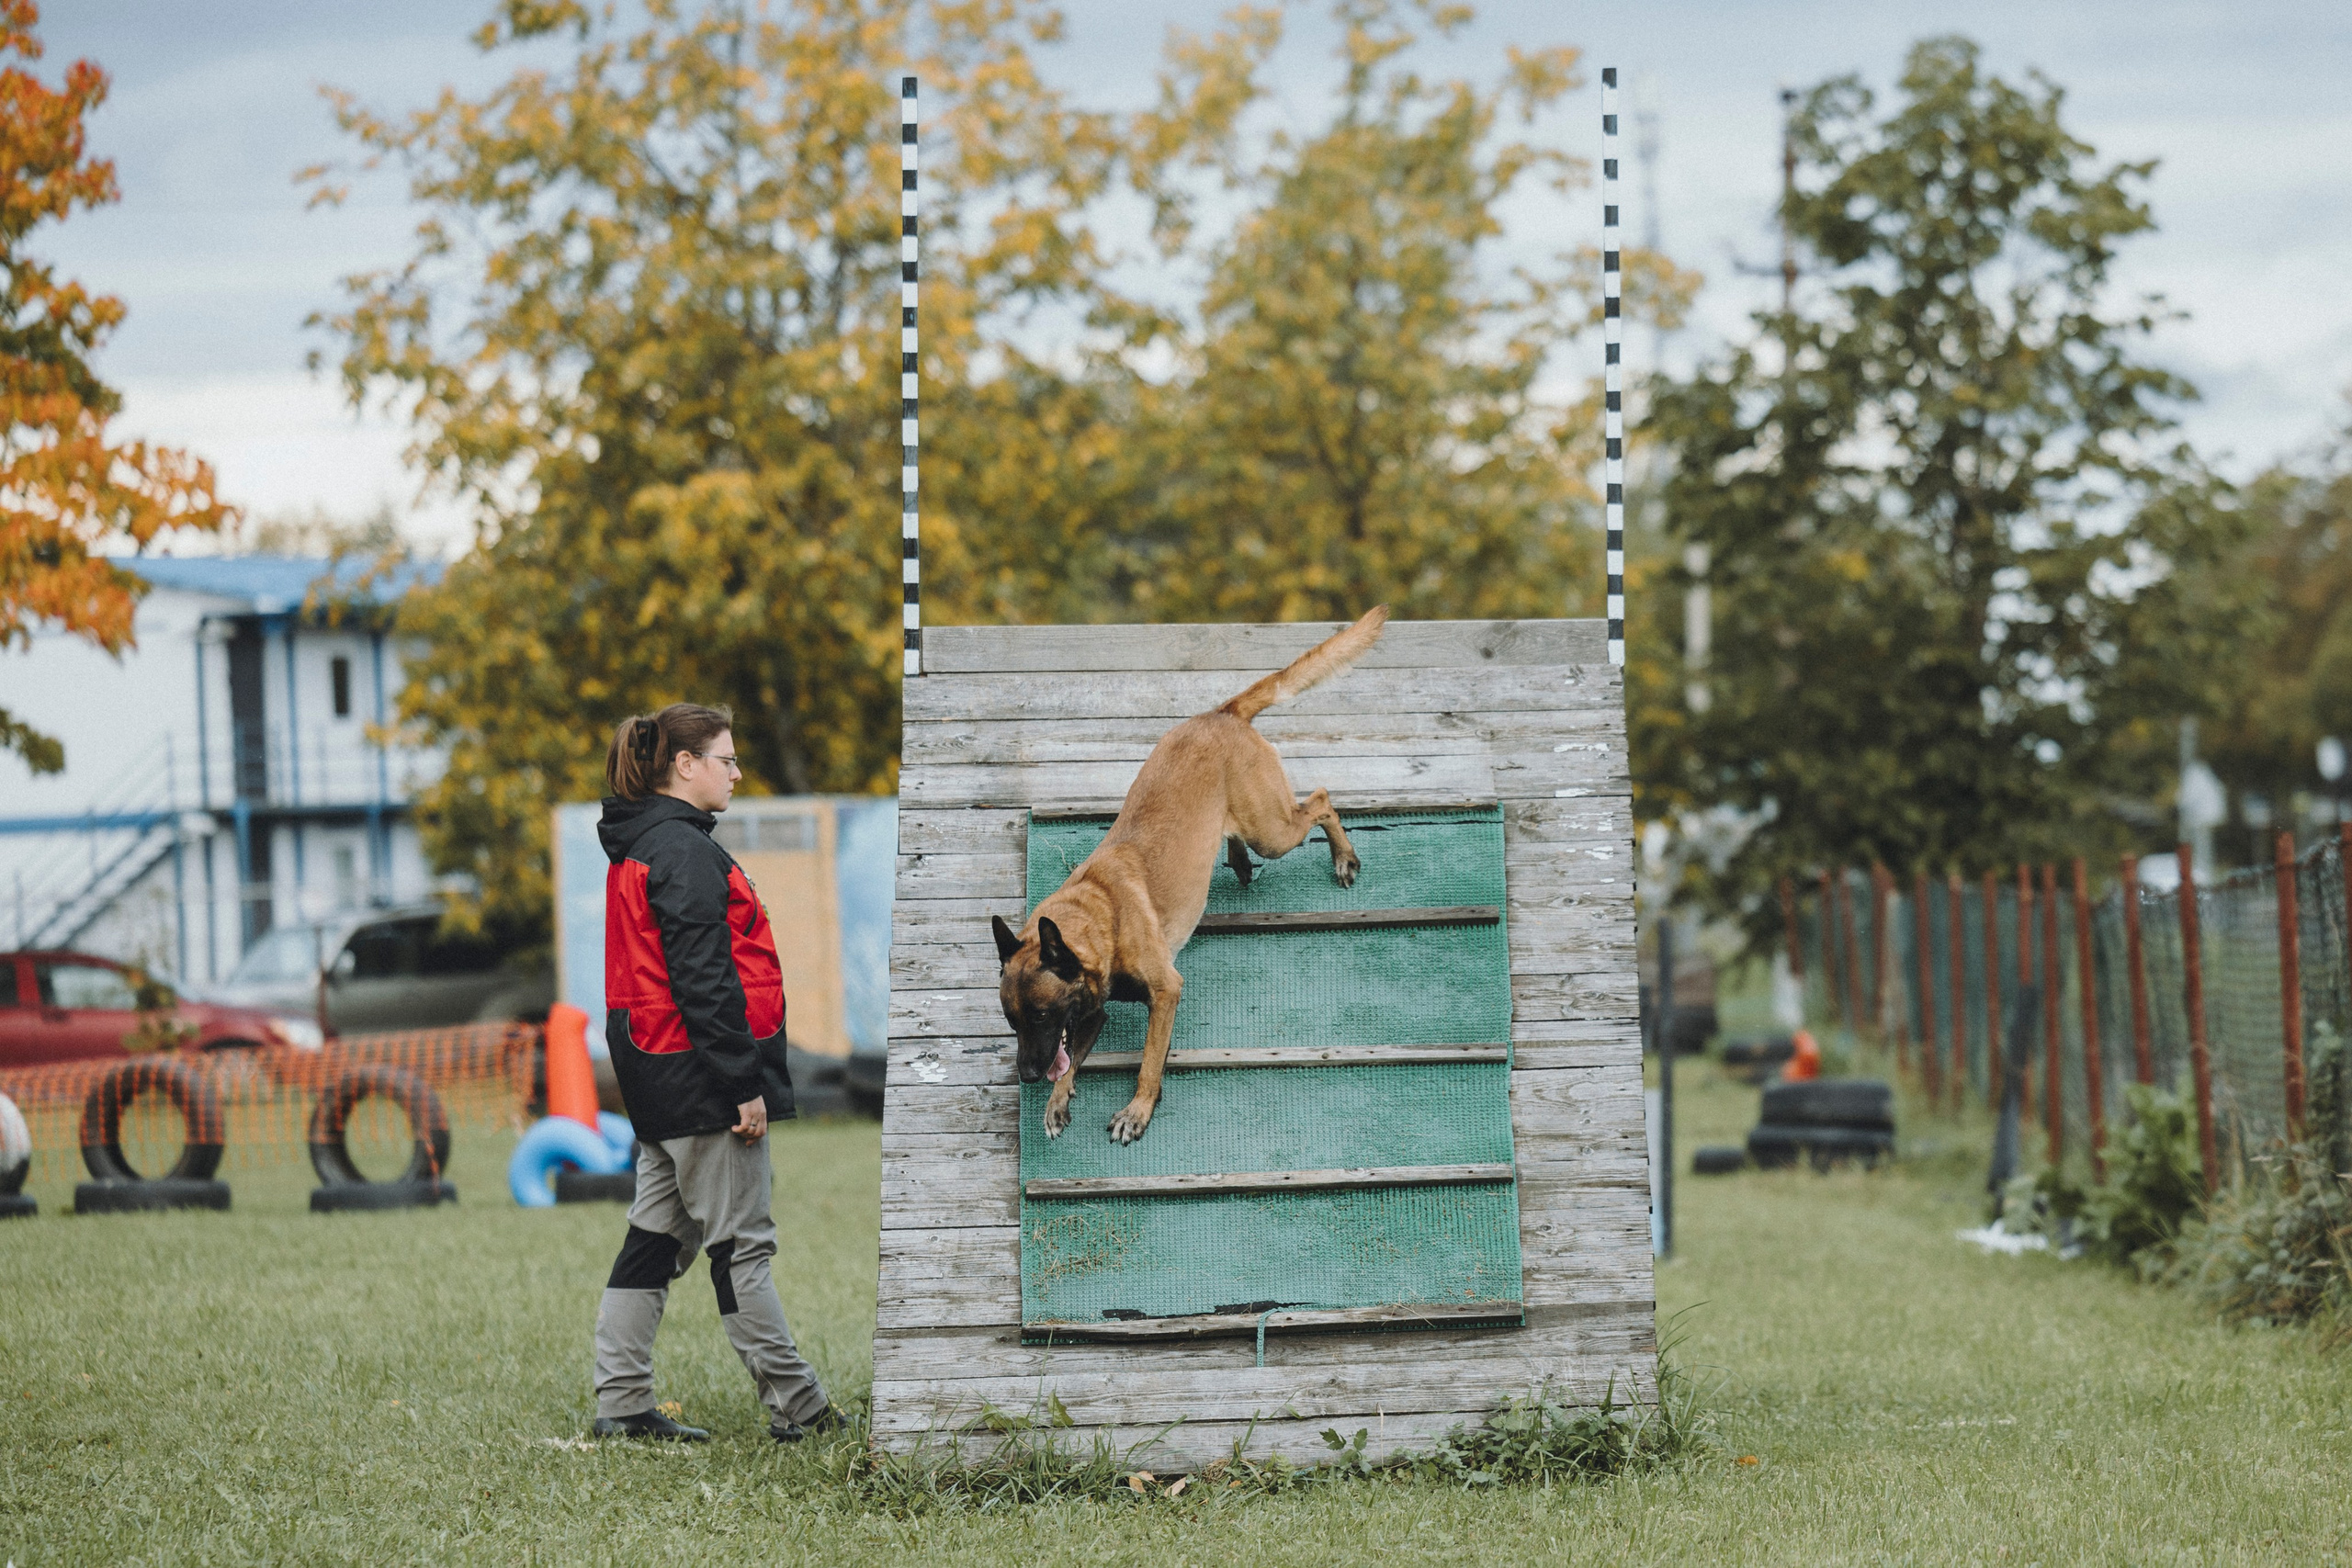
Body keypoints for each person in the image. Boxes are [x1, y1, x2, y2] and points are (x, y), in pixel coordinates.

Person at [589, 703, 840, 1443]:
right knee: (742, 1249)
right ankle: (801, 1410)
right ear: (684, 765)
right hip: (701, 1083)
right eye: (725, 758)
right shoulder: (683, 851)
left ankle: (623, 1403)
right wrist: (743, 1083)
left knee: (652, 1241)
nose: (735, 771)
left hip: (654, 1075)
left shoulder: (646, 845)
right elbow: (704, 979)